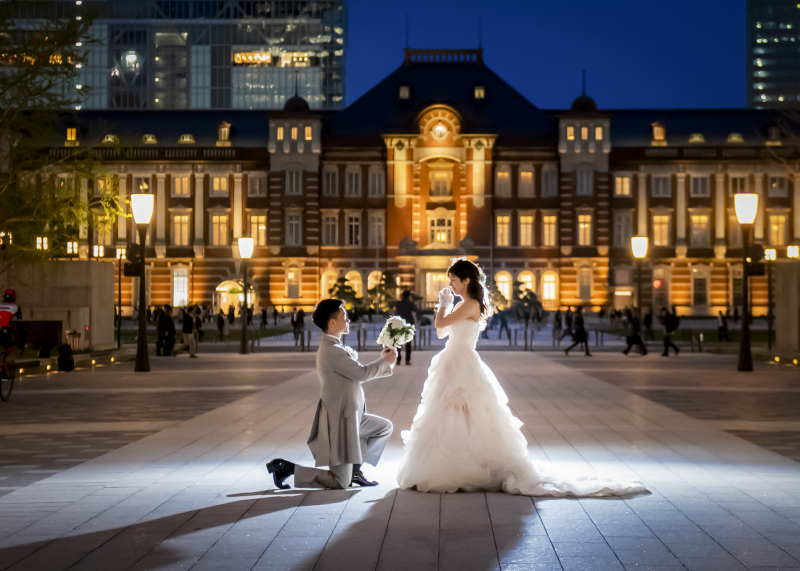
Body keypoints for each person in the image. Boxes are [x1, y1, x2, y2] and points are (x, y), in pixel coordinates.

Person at [397, 258, 643, 496]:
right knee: (450, 414)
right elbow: (441, 333)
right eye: (449, 281)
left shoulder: (470, 304)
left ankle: (466, 467)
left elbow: (440, 322)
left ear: (466, 280)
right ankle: (449, 464)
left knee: (464, 413)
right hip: (452, 360)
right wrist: (446, 304)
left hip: (462, 363)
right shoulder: (463, 305)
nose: (450, 285)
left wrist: (442, 304)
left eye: (453, 281)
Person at [267, 299, 397, 490]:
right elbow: (360, 373)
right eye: (344, 316)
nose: (348, 319)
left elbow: (356, 371)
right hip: (341, 422)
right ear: (332, 323)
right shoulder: (332, 350)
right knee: (339, 482)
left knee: (383, 428)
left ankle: (355, 470)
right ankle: (287, 468)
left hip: (352, 416)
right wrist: (384, 361)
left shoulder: (336, 347)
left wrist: (385, 361)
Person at [394, 290, 417, 365]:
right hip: (408, 324)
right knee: (408, 343)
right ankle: (407, 360)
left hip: (399, 324)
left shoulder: (398, 304)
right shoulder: (410, 304)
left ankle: (398, 359)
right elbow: (416, 310)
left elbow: (396, 313)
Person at [0, 289, 22, 367]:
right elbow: (19, 325)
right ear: (14, 297)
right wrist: (22, 339)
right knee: (11, 349)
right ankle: (4, 365)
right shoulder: (16, 307)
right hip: (3, 330)